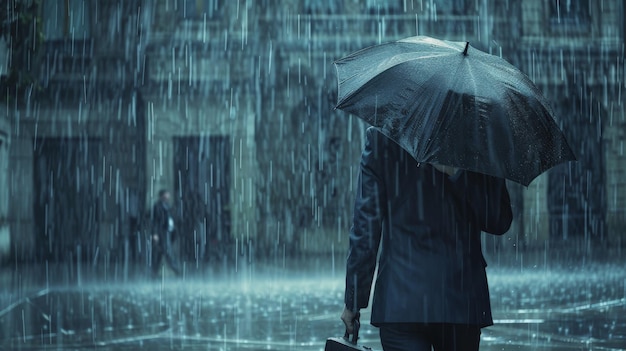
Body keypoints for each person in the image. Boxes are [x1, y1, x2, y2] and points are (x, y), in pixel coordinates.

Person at [341, 127, 513, 351]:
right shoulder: (478, 133)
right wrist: (462, 175)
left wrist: (354, 301)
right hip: (460, 301)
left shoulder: (384, 136)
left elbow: (365, 228)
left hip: (401, 300)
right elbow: (498, 219)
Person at [151, 189, 181, 277]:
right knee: (167, 252)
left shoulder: (167, 206)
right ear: (162, 196)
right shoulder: (157, 207)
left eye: (168, 194)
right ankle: (177, 270)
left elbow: (170, 218)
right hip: (162, 233)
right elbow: (155, 221)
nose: (168, 196)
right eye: (167, 194)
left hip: (168, 232)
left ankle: (154, 272)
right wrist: (155, 233)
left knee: (160, 254)